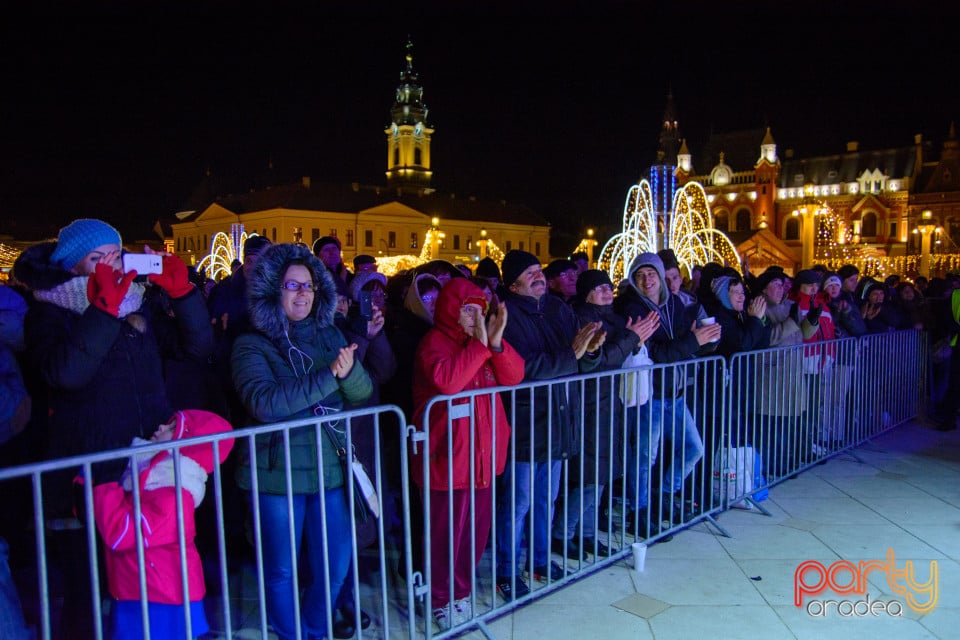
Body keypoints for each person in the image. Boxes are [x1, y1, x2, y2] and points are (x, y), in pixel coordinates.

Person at [12, 217, 213, 639]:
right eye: (96, 257)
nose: (110, 263)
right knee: (88, 592)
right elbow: (64, 373)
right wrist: (102, 310)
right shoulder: (48, 313)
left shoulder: (140, 303)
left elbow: (196, 348)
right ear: (72, 266)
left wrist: (184, 294)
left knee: (146, 581)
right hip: (90, 474)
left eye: (115, 254)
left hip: (144, 467)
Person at [231, 242, 373, 640]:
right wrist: (331, 376)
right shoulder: (251, 343)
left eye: (308, 285)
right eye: (292, 285)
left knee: (335, 564)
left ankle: (312, 628)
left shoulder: (330, 334)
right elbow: (265, 401)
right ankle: (290, 633)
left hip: (329, 467)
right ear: (273, 290)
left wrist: (348, 373)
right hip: (276, 473)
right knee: (280, 568)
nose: (302, 293)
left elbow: (361, 393)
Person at [411, 278, 524, 630]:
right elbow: (448, 381)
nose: (476, 316)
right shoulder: (434, 343)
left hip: (482, 458)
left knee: (474, 533)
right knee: (445, 535)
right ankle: (440, 599)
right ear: (450, 310)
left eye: (479, 309)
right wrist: (480, 347)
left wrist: (496, 343)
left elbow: (514, 375)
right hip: (446, 459)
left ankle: (461, 593)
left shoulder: (483, 344)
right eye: (467, 309)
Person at [494, 250, 605, 601]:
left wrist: (590, 351)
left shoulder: (556, 308)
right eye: (529, 273)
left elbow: (577, 360)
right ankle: (507, 569)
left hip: (558, 420)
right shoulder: (506, 316)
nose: (538, 276)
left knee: (547, 498)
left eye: (538, 270)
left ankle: (539, 560)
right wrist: (572, 354)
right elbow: (523, 368)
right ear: (513, 283)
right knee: (519, 503)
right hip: (527, 422)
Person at [93, 410, 234, 640]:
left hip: (161, 598)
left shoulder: (173, 498)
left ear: (185, 446)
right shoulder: (151, 481)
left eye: (171, 429)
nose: (160, 427)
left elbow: (121, 533)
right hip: (142, 590)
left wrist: (104, 484)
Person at [552, 269, 658, 559]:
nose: (606, 291)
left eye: (607, 286)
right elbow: (599, 361)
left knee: (602, 474)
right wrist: (631, 338)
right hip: (590, 404)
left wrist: (632, 337)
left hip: (611, 401)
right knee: (590, 476)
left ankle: (586, 534)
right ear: (586, 293)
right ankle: (562, 533)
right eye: (598, 288)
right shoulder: (583, 319)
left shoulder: (613, 317)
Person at [613, 253, 716, 533]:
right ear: (634, 280)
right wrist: (694, 341)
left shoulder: (675, 305)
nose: (647, 280)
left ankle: (665, 494)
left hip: (677, 392)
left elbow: (683, 342)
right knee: (646, 456)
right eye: (640, 275)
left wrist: (705, 342)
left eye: (652, 274)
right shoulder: (632, 308)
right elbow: (656, 353)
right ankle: (640, 511)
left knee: (694, 447)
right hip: (652, 394)